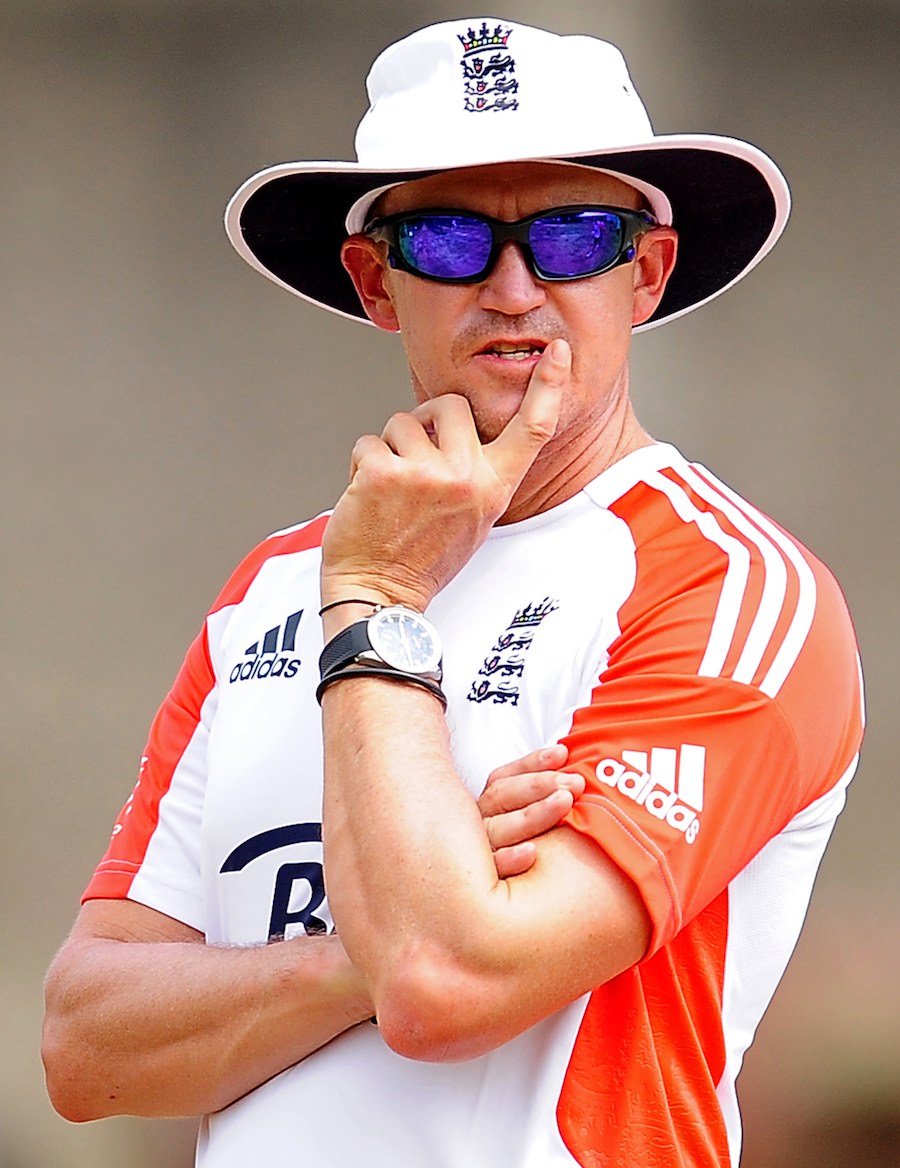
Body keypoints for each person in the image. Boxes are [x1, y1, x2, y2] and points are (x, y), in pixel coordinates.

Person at [42, 17, 864, 1168]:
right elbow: (84, 1048)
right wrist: (372, 938)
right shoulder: (268, 588)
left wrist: (376, 596)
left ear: (646, 273)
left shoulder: (730, 584)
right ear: (376, 283)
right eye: (448, 238)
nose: (515, 288)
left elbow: (442, 983)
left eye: (575, 236)